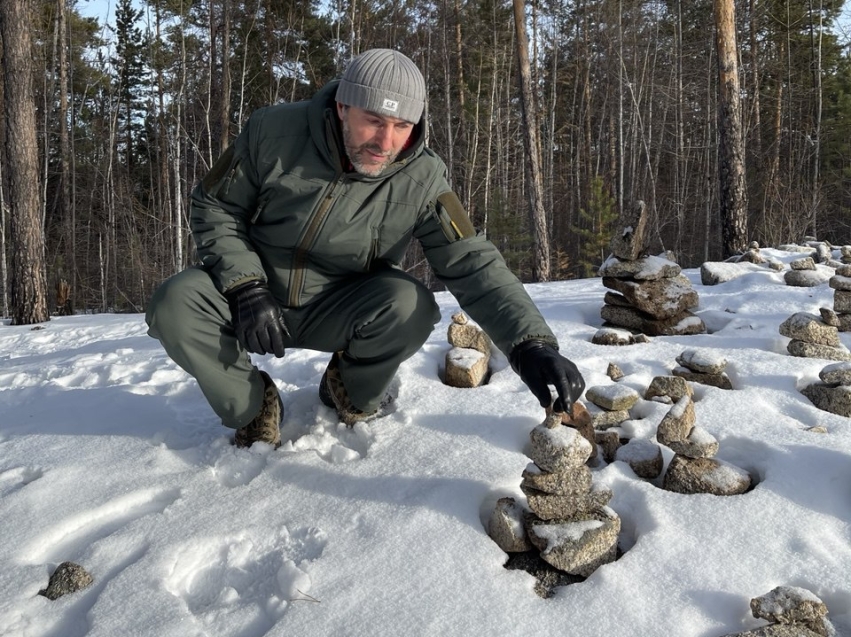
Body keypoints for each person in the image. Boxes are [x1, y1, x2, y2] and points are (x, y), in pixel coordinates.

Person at [145, 48, 585, 449]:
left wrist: (530, 345)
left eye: (402, 126)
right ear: (342, 107)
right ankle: (252, 405)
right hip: (253, 298)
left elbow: (471, 261)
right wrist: (245, 286)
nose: (386, 142)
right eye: (374, 120)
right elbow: (215, 203)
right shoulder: (271, 132)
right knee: (175, 304)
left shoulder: (423, 177)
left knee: (410, 304)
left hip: (340, 304)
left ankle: (348, 387)